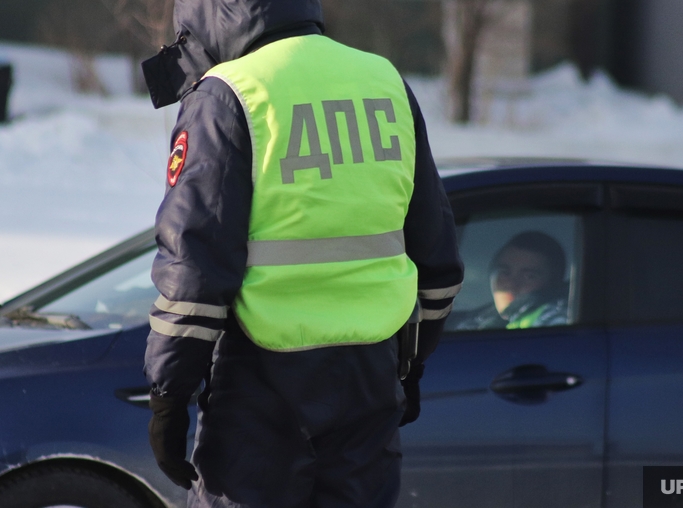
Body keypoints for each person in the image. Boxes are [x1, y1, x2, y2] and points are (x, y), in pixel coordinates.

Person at [141, 1, 464, 507]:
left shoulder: (228, 93)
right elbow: (436, 258)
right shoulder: (384, 81)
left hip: (261, 384)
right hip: (369, 379)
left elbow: (195, 268)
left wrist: (168, 395)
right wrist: (410, 365)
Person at [457, 231, 568, 330]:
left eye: (529, 276)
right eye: (505, 273)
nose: (512, 284)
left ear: (553, 283)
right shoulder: (476, 321)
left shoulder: (557, 318)